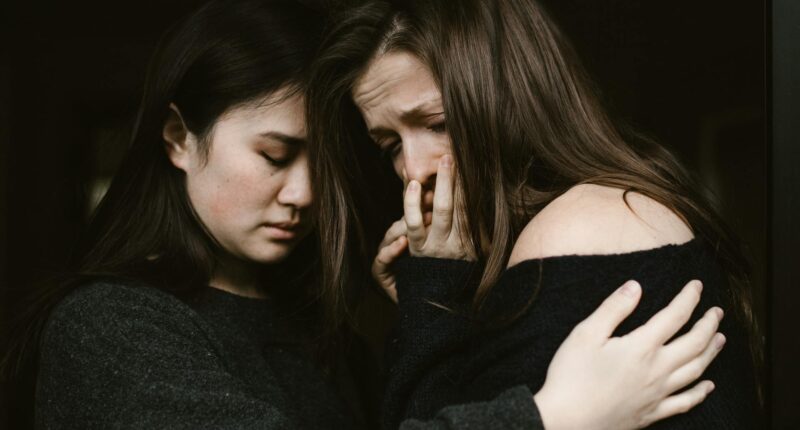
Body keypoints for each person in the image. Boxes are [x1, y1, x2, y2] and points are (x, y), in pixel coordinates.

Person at [0, 0, 724, 429]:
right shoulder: (107, 327)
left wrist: (432, 304)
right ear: (178, 139)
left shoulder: (324, 331)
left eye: (328, 164)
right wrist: (551, 417)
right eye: (275, 155)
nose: (306, 194)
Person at [306, 0, 760, 428]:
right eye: (390, 145)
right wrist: (434, 297)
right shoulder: (606, 210)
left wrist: (431, 294)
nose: (413, 169)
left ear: (510, 101)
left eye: (439, 124)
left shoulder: (577, 230)